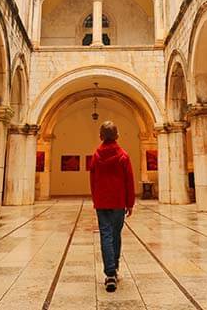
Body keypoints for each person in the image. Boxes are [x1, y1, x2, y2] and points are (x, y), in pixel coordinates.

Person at [88, 121, 135, 293]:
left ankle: (110, 274)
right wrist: (130, 203)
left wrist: (96, 199)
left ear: (101, 136)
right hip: (118, 202)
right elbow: (129, 181)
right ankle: (113, 268)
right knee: (116, 234)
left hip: (102, 202)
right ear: (117, 135)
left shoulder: (96, 156)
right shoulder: (123, 155)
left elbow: (92, 181)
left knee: (105, 235)